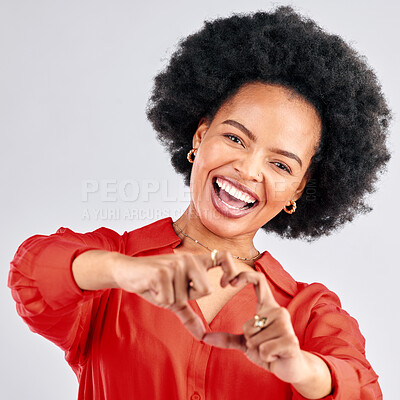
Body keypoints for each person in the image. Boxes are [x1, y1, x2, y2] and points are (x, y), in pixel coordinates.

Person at [8, 6, 390, 400]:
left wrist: (302, 367)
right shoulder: (113, 265)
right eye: (236, 138)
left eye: (280, 164)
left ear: (297, 189)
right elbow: (33, 273)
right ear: (199, 137)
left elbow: (360, 386)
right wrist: (120, 271)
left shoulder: (309, 313)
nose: (248, 169)